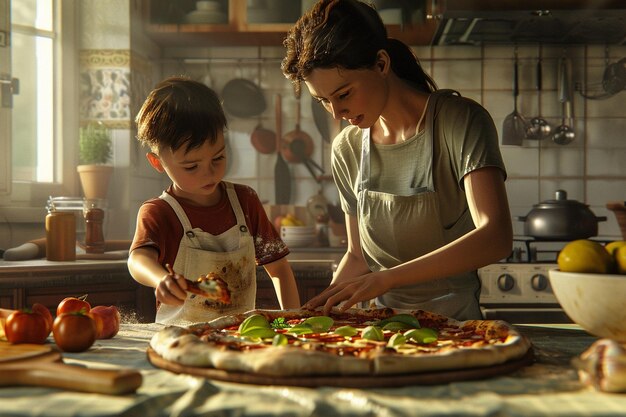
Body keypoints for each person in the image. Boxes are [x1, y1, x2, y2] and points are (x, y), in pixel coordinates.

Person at [281, 0, 512, 320]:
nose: (337, 113)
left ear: (380, 64)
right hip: (382, 331)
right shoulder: (346, 149)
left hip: (458, 326)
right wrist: (320, 311)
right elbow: (358, 256)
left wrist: (387, 278)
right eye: (323, 101)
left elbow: (496, 237)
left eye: (344, 94)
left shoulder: (458, 122)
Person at [128, 76, 300, 325]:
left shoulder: (244, 202)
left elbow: (280, 270)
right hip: (180, 342)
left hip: (239, 338)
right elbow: (138, 260)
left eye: (218, 158)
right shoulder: (159, 212)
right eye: (191, 166)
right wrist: (160, 279)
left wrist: (293, 321)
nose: (209, 173)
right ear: (157, 162)